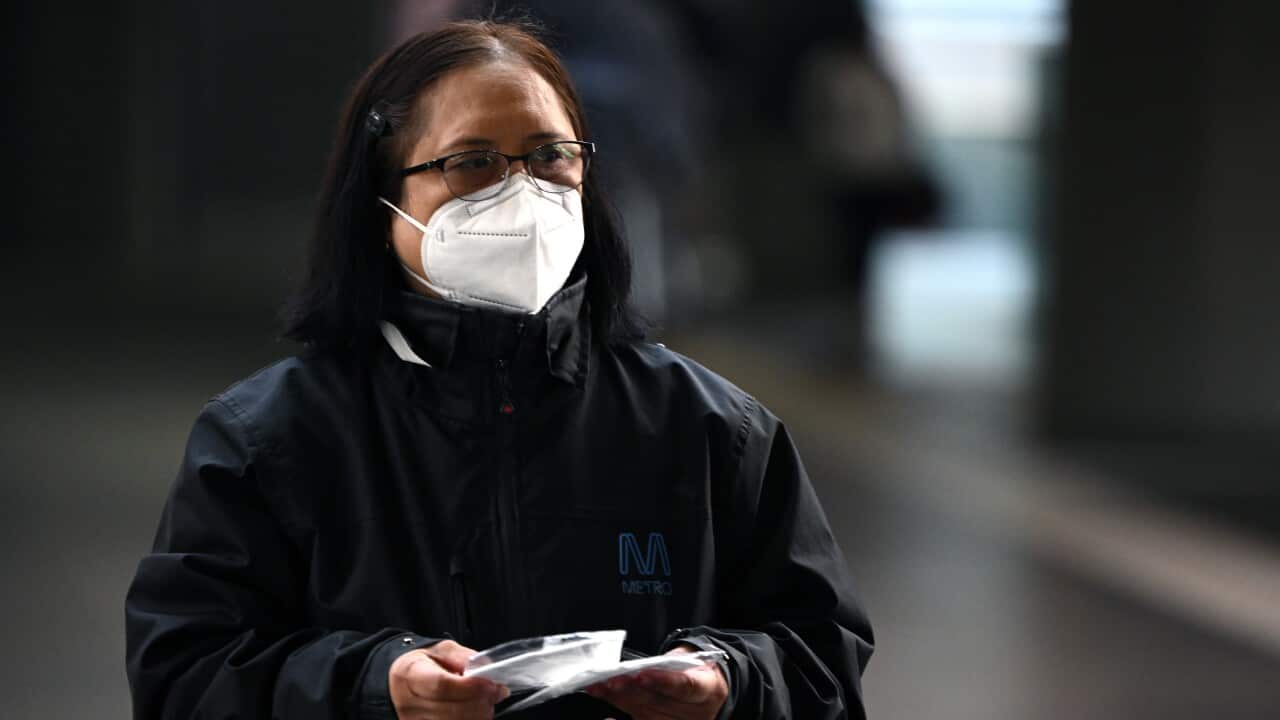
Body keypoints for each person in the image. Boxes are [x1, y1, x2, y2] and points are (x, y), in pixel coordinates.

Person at [125, 18, 873, 720]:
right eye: (473, 163)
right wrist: (375, 685)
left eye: (551, 156)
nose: (523, 192)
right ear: (382, 200)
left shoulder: (712, 430)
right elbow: (184, 674)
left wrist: (728, 681)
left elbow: (822, 658)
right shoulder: (269, 440)